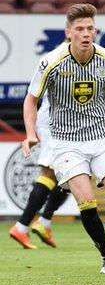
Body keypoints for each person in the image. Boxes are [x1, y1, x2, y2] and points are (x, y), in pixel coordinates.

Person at [21, 3, 105, 274]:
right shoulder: (51, 62)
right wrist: (31, 134)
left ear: (96, 31)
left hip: (103, 137)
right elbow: (31, 98)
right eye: (79, 29)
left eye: (90, 28)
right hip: (65, 141)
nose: (85, 33)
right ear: (68, 32)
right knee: (86, 200)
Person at [9, 94, 70, 249]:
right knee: (51, 172)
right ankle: (22, 227)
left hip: (65, 121)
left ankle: (42, 223)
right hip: (55, 120)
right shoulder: (51, 68)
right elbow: (32, 95)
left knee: (68, 173)